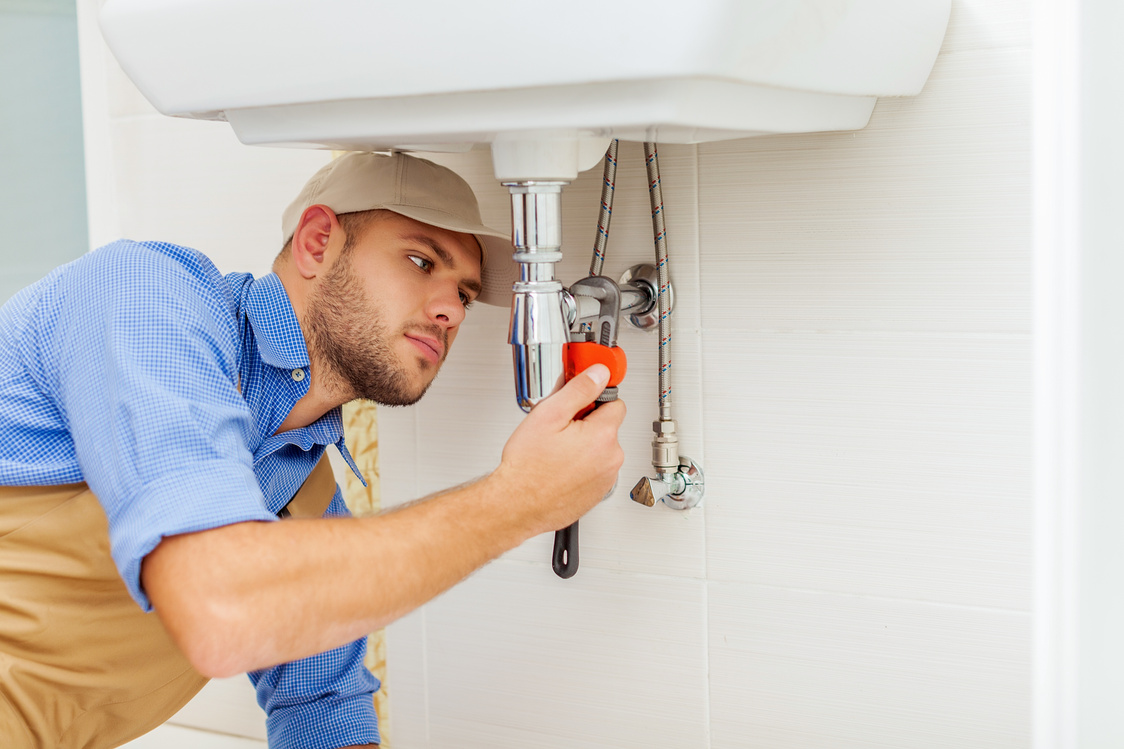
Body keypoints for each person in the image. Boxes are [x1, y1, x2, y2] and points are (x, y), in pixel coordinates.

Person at [0, 152, 625, 748]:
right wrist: (518, 500)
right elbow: (220, 606)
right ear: (317, 243)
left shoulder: (302, 483)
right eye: (420, 262)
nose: (450, 312)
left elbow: (323, 711)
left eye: (463, 294)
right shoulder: (145, 298)